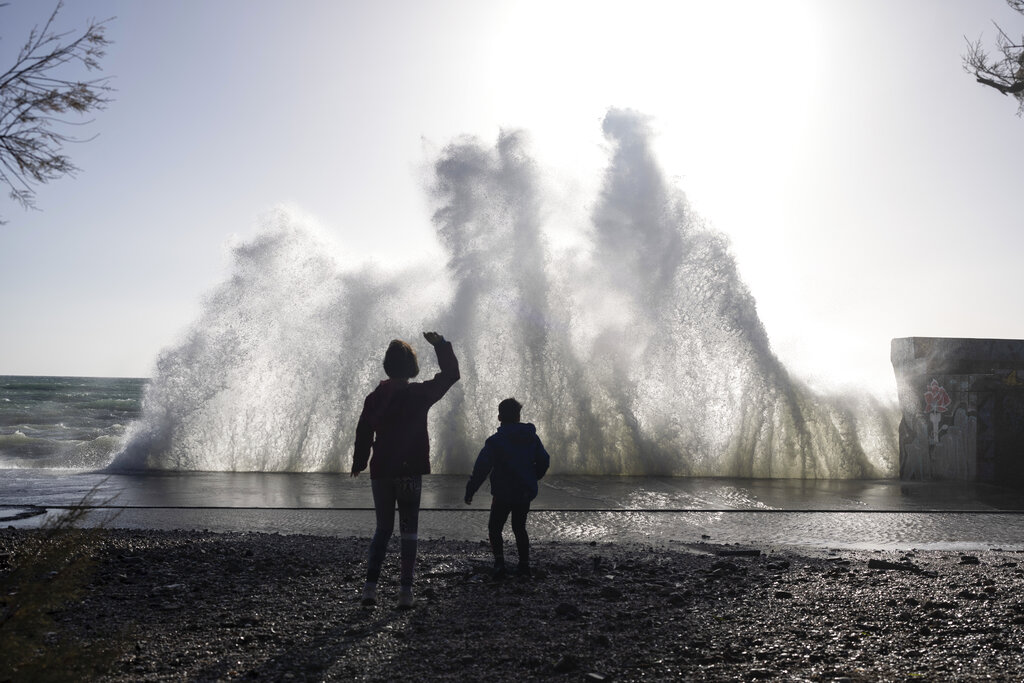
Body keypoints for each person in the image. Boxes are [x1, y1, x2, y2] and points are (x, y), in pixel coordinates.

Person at [351, 331, 459, 609]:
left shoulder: (375, 397)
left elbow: (364, 430)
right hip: (409, 470)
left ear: (387, 365)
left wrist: (360, 461)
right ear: (411, 367)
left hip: (382, 470)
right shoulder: (418, 394)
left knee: (382, 530)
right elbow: (450, 376)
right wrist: (441, 346)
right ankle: (405, 593)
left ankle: (370, 590)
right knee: (409, 532)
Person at [464, 398, 550, 578]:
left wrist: (471, 489)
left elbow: (482, 467)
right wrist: (534, 476)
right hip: (524, 491)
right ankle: (524, 565)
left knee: (494, 528)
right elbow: (544, 459)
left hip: (503, 493)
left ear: (499, 417)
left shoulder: (496, 441)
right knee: (520, 527)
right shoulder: (531, 437)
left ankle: (499, 563)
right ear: (518, 416)